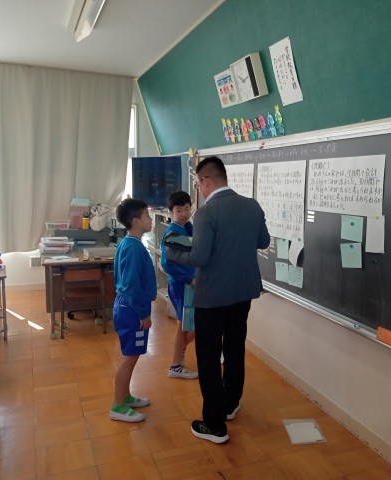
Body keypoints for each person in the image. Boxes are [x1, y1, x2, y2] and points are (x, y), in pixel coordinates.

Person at [166, 156, 270, 444]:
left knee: (209, 357)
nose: (199, 189)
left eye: (198, 184)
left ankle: (214, 424)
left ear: (206, 181)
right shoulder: (252, 205)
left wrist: (173, 251)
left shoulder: (206, 213)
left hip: (211, 297)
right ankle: (231, 404)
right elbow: (263, 241)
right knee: (235, 348)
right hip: (243, 293)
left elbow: (199, 257)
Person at [109, 198, 157, 423]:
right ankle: (118, 406)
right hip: (131, 310)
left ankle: (125, 396)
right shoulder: (134, 247)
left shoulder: (128, 243)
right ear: (136, 221)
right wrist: (142, 313)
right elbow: (130, 285)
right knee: (129, 357)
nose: (151, 219)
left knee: (129, 354)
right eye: (147, 215)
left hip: (127, 307)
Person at [160, 191, 199, 380]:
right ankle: (176, 363)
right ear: (171, 211)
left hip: (186, 284)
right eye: (179, 210)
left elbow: (192, 246)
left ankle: (178, 360)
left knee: (185, 325)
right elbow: (166, 264)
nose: (184, 213)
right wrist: (188, 279)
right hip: (181, 285)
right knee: (187, 325)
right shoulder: (173, 232)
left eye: (187, 209)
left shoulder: (184, 228)